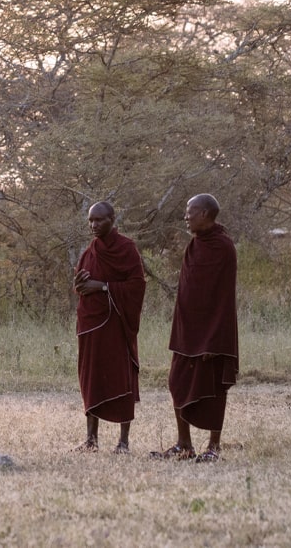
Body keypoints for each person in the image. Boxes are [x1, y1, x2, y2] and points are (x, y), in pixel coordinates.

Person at [154, 193, 238, 463]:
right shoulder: (194, 245)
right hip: (187, 332)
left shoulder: (223, 247)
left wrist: (215, 340)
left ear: (204, 214)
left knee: (213, 389)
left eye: (190, 211)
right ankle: (184, 444)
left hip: (212, 335)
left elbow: (223, 298)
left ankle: (214, 447)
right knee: (176, 382)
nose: (186, 216)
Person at [71, 201, 146, 453]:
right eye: (90, 221)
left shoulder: (127, 249)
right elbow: (82, 285)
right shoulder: (89, 251)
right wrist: (81, 286)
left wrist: (102, 286)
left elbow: (136, 286)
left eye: (99, 220)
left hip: (117, 324)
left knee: (121, 378)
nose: (93, 225)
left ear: (112, 219)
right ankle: (91, 440)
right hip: (91, 324)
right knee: (91, 378)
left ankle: (123, 442)